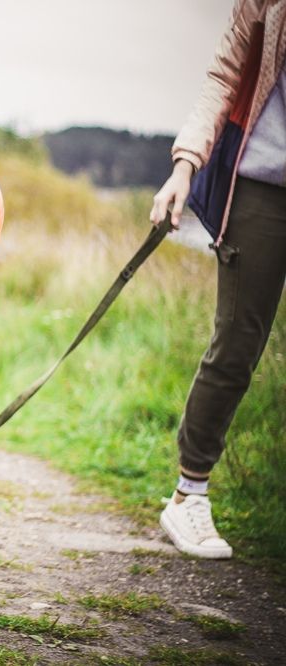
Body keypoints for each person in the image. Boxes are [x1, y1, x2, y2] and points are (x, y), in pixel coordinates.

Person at [151, 0, 285, 559]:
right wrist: (185, 166)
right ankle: (190, 495)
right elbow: (223, 78)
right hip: (261, 186)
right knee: (237, 346)